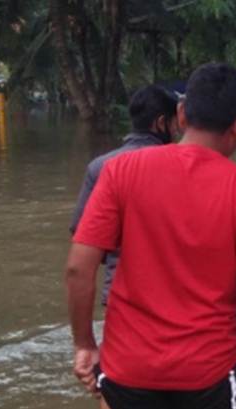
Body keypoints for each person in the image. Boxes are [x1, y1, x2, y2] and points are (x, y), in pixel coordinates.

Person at [65, 63, 236, 409]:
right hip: (211, 371)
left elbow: (78, 268)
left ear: (181, 115)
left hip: (129, 365)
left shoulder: (120, 172)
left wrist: (84, 345)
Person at [69, 84, 179, 306]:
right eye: (175, 123)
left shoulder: (99, 166)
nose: (177, 131)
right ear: (161, 123)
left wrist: (116, 256)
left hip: (119, 296)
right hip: (174, 297)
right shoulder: (181, 166)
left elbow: (81, 233)